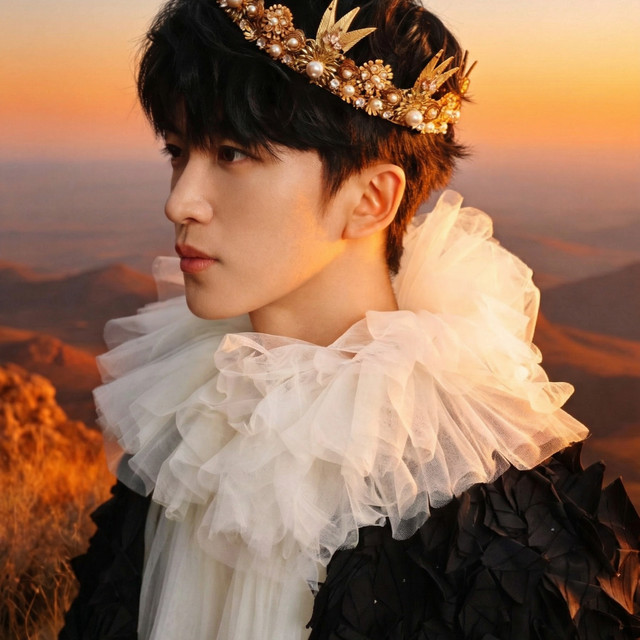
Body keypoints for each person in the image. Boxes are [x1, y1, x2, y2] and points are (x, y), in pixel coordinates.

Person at [60, 0, 640, 638]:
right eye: (177, 151)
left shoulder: (485, 503)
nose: (179, 202)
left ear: (370, 200)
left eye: (231, 153)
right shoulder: (195, 414)